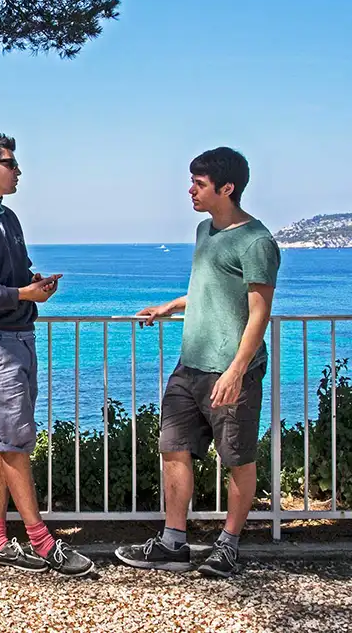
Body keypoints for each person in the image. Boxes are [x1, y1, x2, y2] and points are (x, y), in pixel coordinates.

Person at [115, 147, 280, 578]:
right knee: (173, 448)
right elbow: (209, 292)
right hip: (190, 366)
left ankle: (228, 546)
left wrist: (237, 370)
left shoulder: (257, 242)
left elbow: (258, 311)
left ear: (227, 188)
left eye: (200, 184)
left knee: (237, 458)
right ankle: (173, 543)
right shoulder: (204, 231)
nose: (190, 190)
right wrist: (168, 307)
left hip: (231, 371)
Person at [0, 134, 94, 577]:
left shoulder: (7, 217)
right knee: (16, 443)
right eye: (10, 163)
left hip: (17, 337)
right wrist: (21, 293)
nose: (18, 170)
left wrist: (35, 285)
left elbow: (16, 275)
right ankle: (42, 542)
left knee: (2, 440)